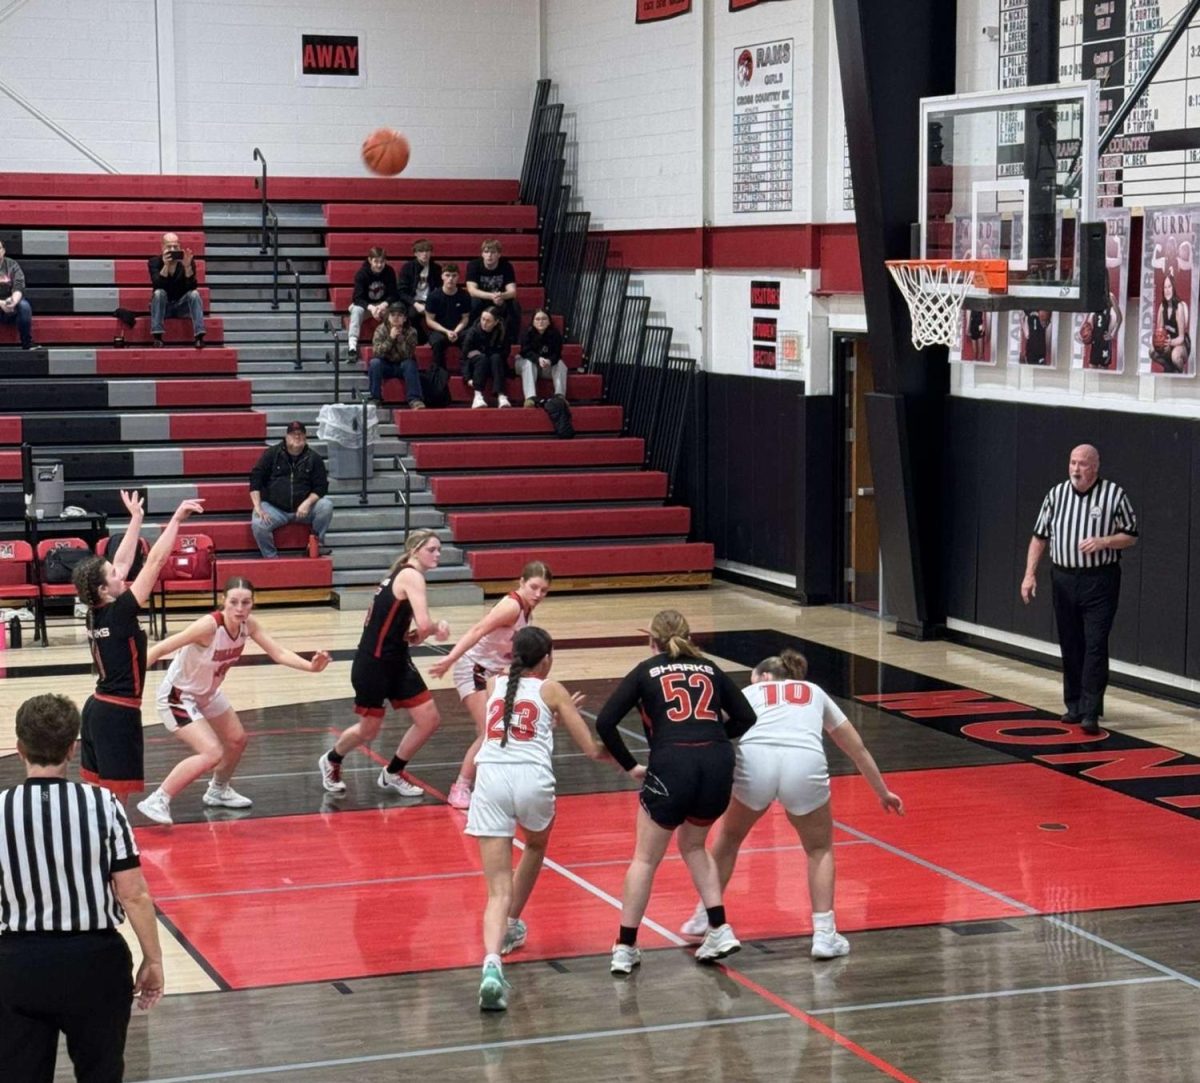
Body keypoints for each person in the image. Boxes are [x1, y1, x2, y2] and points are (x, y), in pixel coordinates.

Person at [678, 648, 903, 958]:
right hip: (804, 762)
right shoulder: (814, 691)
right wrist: (882, 791)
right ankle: (824, 934)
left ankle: (704, 915)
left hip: (756, 762)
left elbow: (709, 731)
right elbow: (856, 748)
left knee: (728, 840)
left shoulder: (750, 691)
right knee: (819, 849)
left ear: (765, 676)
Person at [0, 694, 164, 1082]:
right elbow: (133, 893)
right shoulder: (103, 804)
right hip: (95, 962)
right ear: (73, 748)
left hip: (18, 964)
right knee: (101, 1074)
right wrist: (153, 959)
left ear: (19, 747)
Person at [595, 609, 757, 974]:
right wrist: (712, 738)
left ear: (652, 639)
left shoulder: (645, 670)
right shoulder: (711, 668)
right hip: (717, 764)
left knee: (645, 859)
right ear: (689, 636)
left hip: (672, 765)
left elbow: (605, 722)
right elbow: (747, 718)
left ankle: (625, 945)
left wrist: (630, 764)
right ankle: (719, 926)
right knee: (695, 845)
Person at [466, 626, 610, 1011]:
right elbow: (594, 750)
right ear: (546, 658)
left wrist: (549, 720)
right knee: (535, 844)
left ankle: (492, 965)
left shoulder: (495, 685)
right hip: (532, 781)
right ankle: (513, 923)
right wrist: (633, 761)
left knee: (496, 889)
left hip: (491, 780)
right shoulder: (554, 690)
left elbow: (509, 728)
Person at [137, 577, 332, 826]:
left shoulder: (247, 625)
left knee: (237, 740)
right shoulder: (208, 627)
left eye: (246, 602)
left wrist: (312, 667)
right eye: (234, 602)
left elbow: (279, 653)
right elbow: (159, 649)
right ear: (223, 601)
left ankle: (218, 789)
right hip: (178, 696)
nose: (240, 608)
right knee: (212, 752)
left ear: (252, 604)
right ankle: (158, 798)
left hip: (207, 693)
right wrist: (126, 680)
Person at [71, 492, 206, 797]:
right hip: (118, 714)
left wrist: (136, 519)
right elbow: (155, 562)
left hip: (95, 709)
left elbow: (120, 562)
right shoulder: (119, 613)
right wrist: (175, 520)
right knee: (117, 799)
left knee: (97, 794)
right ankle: (114, 844)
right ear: (105, 589)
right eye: (114, 577)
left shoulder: (95, 611)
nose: (122, 576)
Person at [318, 529, 450, 798]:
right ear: (415, 551)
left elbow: (409, 632)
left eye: (439, 550)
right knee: (369, 730)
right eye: (431, 549)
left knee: (429, 719)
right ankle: (332, 758)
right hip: (373, 662)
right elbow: (424, 624)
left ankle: (392, 772)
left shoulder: (404, 574)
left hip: (397, 659)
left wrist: (417, 634)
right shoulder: (411, 575)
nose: (437, 554)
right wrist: (438, 627)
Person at [1021, 444, 1138, 735]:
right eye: (1072, 462)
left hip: (1100, 579)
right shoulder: (1055, 495)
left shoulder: (1114, 495)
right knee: (1071, 643)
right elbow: (1039, 537)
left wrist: (1104, 542)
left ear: (1095, 467)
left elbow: (1131, 535)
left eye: (1082, 464)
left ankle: (1091, 710)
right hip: (1062, 578)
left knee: (1095, 644)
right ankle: (1074, 705)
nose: (1076, 469)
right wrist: (1029, 574)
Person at [429, 561, 553, 809]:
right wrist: (450, 658)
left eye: (544, 590)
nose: (538, 594)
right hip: (474, 669)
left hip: (493, 673)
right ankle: (460, 788)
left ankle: (485, 783)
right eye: (534, 587)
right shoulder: (511, 606)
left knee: (488, 731)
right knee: (490, 732)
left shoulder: (527, 610)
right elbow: (478, 630)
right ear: (521, 582)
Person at [249, 421, 335, 558]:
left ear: (306, 438)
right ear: (286, 436)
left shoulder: (314, 458)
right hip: (275, 508)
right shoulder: (271, 454)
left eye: (300, 435)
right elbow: (255, 479)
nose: (297, 437)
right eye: (293, 434)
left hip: (303, 509)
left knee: (326, 505)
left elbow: (321, 487)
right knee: (258, 523)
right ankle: (271, 558)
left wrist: (307, 503)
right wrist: (258, 507)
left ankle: (315, 544)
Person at [148, 231, 205, 348]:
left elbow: (192, 287)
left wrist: (188, 267)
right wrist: (166, 265)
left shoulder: (187, 261)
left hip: (182, 306)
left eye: (175, 246)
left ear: (179, 246)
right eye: (169, 246)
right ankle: (157, 337)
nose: (173, 249)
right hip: (164, 307)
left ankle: (199, 336)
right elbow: (157, 284)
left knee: (194, 294)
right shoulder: (154, 262)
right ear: (162, 247)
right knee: (159, 293)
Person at [466, 239, 521, 345]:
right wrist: (492, 296)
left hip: (499, 300)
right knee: (473, 302)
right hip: (482, 299)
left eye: (493, 252)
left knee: (514, 304)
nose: (489, 255)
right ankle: (471, 337)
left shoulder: (506, 266)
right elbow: (472, 291)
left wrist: (502, 296)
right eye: (486, 252)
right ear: (482, 254)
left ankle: (511, 341)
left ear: (499, 254)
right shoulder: (474, 265)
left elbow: (512, 291)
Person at [348, 246, 398, 361]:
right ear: (370, 260)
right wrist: (372, 308)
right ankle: (352, 346)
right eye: (376, 261)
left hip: (382, 305)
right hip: (366, 305)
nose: (379, 265)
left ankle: (393, 342)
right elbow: (357, 298)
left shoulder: (389, 271)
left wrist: (383, 305)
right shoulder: (361, 274)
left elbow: (394, 294)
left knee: (397, 309)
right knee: (356, 310)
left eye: (382, 262)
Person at [369, 302, 424, 408]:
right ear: (388, 317)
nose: (396, 318)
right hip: (385, 364)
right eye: (393, 315)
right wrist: (391, 338)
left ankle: (415, 399)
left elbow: (408, 354)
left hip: (402, 365)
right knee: (374, 363)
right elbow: (377, 352)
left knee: (410, 364)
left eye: (399, 315)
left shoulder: (411, 332)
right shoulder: (381, 330)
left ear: (404, 318)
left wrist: (400, 340)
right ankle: (375, 398)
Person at [424, 263, 472, 372]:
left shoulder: (464, 295)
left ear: (458, 277)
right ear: (442, 276)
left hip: (458, 330)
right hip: (440, 331)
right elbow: (430, 320)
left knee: (469, 338)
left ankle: (467, 372)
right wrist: (446, 331)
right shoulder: (433, 296)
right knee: (437, 342)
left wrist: (455, 331)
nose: (450, 279)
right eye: (447, 275)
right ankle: (440, 374)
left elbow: (465, 318)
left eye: (454, 275)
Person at [461, 306, 511, 408]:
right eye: (483, 319)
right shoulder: (473, 332)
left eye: (488, 321)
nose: (484, 323)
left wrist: (482, 352)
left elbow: (505, 353)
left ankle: (501, 396)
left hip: (495, 364)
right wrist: (467, 378)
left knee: (496, 357)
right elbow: (465, 356)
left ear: (496, 322)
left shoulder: (502, 332)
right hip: (476, 366)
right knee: (482, 358)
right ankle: (478, 395)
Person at [516, 308, 567, 406]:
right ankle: (530, 398)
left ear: (549, 321)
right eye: (537, 319)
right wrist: (538, 359)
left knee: (560, 364)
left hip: (545, 367)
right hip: (526, 365)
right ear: (533, 321)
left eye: (544, 319)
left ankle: (560, 396)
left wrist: (550, 361)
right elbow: (525, 352)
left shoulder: (555, 335)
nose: (541, 322)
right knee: (529, 363)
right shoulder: (527, 333)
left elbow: (557, 354)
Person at [397, 239, 442, 343]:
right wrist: (415, 303)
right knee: (412, 315)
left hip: (430, 301)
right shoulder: (407, 268)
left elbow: (440, 289)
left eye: (427, 251)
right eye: (421, 251)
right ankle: (423, 339)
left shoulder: (436, 268)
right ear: (415, 253)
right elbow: (401, 292)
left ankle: (437, 339)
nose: (425, 254)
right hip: (413, 301)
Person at [0, 238, 35, 349]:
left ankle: (26, 343)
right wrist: (1, 303)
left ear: (3, 251)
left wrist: (13, 302)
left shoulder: (12, 265)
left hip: (10, 304)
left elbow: (19, 286)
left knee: (24, 306)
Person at [1153, 271, 1190, 375]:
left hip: (1180, 343)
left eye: (1169, 287)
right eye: (1165, 287)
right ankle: (1169, 367)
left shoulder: (1179, 308)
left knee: (1175, 356)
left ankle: (1181, 372)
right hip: (1168, 343)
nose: (1167, 290)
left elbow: (1181, 338)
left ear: (1173, 288)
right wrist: (1158, 341)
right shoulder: (1162, 307)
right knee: (1152, 351)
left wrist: (1170, 342)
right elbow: (1159, 332)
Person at [1080, 291, 1121, 370]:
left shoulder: (1110, 297)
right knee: (1092, 368)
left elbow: (1119, 318)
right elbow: (1087, 314)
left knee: (1104, 372)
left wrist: (1113, 334)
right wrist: (1080, 330)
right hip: (1095, 339)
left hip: (1104, 340)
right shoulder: (1094, 295)